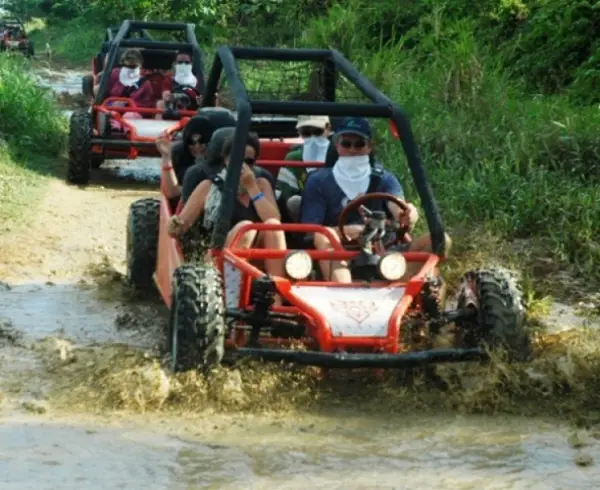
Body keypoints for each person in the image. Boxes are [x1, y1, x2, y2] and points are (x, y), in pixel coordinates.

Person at [300, 116, 452, 283]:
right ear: (337, 145)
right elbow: (312, 231)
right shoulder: (319, 181)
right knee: (323, 237)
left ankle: (400, 289)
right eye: (346, 143)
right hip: (341, 252)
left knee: (441, 240)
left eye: (359, 144)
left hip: (386, 251)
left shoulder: (384, 179)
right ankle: (344, 290)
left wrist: (408, 213)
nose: (352, 150)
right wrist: (353, 231)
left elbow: (396, 206)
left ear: (369, 147)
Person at [167, 132, 287, 281]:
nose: (242, 166)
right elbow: (179, 227)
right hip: (218, 252)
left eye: (248, 161)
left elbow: (274, 219)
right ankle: (233, 296)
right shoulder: (209, 186)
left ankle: (276, 296)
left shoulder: (261, 184)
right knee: (246, 228)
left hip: (257, 255)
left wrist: (252, 188)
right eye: (237, 160)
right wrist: (174, 224)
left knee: (272, 226)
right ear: (226, 160)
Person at [276, 115, 332, 221]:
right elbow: (285, 196)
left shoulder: (340, 154)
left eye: (317, 132)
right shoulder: (293, 158)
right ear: (300, 133)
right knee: (294, 202)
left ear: (328, 129)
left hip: (336, 206)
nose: (313, 138)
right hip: (305, 212)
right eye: (306, 133)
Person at [156, 115, 215, 200]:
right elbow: (172, 193)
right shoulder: (179, 157)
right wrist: (166, 156)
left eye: (202, 141)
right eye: (191, 142)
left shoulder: (220, 160)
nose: (197, 146)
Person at [155, 51, 202, 120]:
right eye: (180, 62)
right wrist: (177, 97)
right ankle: (158, 128)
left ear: (191, 64)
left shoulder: (198, 81)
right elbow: (166, 96)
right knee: (160, 103)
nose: (183, 65)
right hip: (174, 109)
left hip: (193, 110)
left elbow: (203, 98)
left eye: (186, 63)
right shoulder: (169, 80)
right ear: (175, 64)